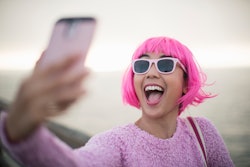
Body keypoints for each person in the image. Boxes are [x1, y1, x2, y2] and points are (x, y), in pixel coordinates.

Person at [0, 36, 234, 167]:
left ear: (185, 82)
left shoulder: (202, 132)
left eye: (165, 64)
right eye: (142, 65)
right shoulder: (117, 143)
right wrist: (21, 132)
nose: (151, 73)